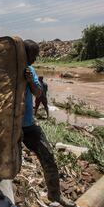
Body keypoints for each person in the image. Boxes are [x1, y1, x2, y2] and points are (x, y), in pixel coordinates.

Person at [22, 40, 75, 207]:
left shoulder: (30, 70)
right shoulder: (6, 71)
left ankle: (54, 195)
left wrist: (30, 81)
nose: (35, 59)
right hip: (10, 127)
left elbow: (38, 93)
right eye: (33, 55)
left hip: (29, 125)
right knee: (5, 161)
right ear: (24, 54)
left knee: (48, 156)